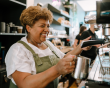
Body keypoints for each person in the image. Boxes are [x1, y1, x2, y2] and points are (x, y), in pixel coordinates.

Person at [5, 6, 91, 88]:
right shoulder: (18, 50)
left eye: (48, 26)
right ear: (29, 28)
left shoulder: (47, 44)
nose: (47, 30)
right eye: (42, 26)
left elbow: (63, 58)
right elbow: (24, 84)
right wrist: (57, 70)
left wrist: (80, 47)